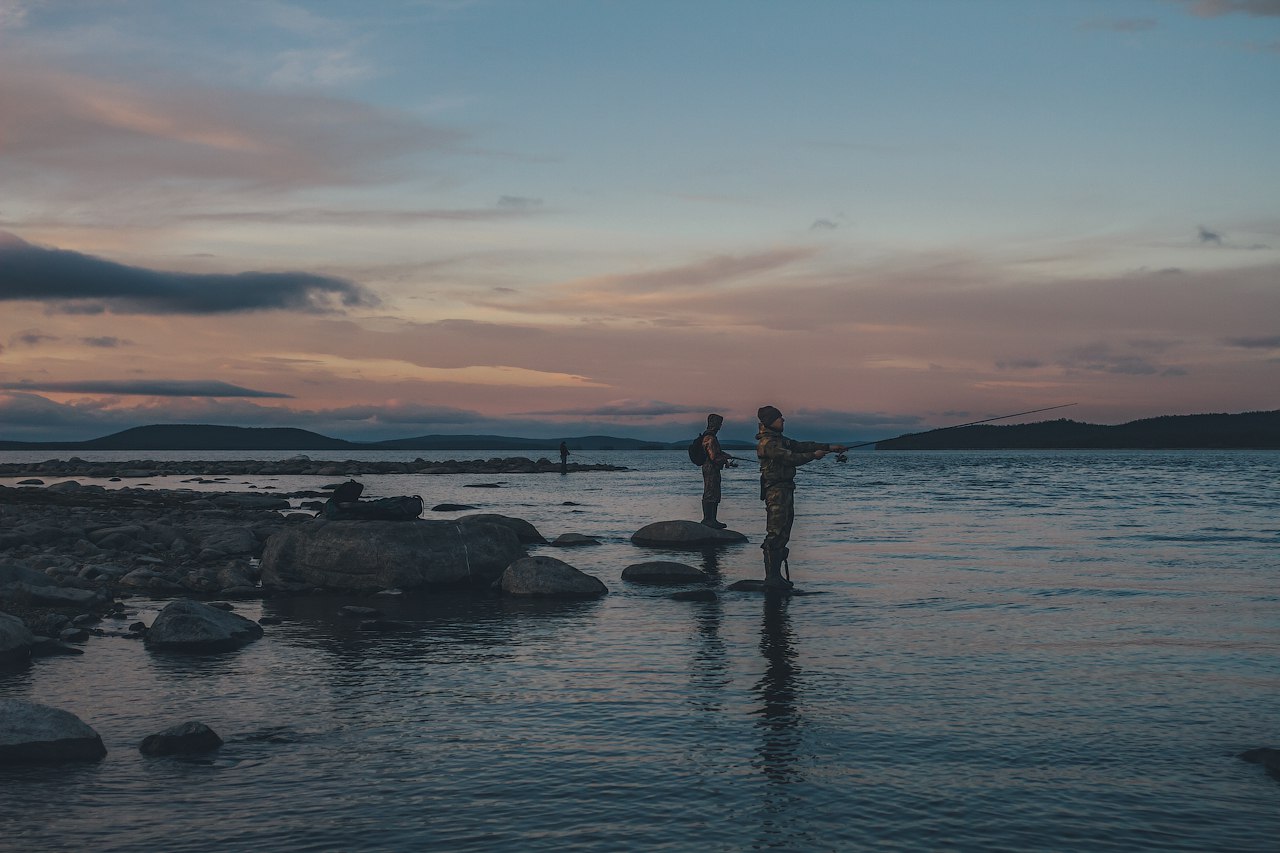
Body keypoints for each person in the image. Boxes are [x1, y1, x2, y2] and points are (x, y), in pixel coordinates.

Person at [755, 405, 847, 590]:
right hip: (776, 491)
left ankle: (777, 576)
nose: (783, 420)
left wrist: (828, 447)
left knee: (784, 532)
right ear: (769, 421)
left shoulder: (779, 439)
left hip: (786, 489)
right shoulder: (768, 443)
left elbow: (799, 446)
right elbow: (790, 458)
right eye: (779, 418)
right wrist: (813, 456)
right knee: (775, 533)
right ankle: (771, 578)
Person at [699, 413, 733, 528]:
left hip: (710, 468)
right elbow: (713, 457)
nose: (720, 426)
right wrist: (724, 458)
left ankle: (712, 519)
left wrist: (725, 457)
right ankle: (709, 520)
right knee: (711, 492)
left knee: (713, 492)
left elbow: (715, 454)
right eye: (719, 423)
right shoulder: (710, 438)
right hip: (710, 469)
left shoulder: (708, 437)